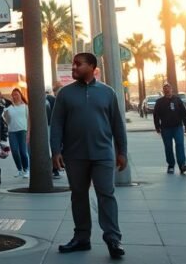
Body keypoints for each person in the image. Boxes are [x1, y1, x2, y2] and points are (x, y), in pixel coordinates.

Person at [50, 53, 127, 259]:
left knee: (106, 194)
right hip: (74, 155)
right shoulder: (65, 94)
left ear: (92, 66)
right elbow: (56, 123)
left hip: (103, 154)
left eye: (78, 64)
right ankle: (82, 238)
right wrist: (56, 151)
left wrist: (122, 151)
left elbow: (117, 124)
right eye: (73, 64)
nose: (73, 68)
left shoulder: (107, 93)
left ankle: (113, 238)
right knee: (79, 196)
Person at [153, 83, 186, 174]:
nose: (167, 90)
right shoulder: (159, 102)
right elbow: (156, 115)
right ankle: (171, 165)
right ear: (163, 91)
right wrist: (157, 126)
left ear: (171, 89)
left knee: (179, 144)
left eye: (168, 88)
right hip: (165, 128)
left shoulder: (177, 100)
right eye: (165, 89)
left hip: (178, 127)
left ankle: (182, 165)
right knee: (168, 147)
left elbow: (183, 112)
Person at [2, 88, 30, 178]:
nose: (15, 96)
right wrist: (7, 119)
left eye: (17, 95)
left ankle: (26, 169)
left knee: (23, 151)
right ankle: (19, 169)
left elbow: (29, 120)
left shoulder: (25, 107)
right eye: (13, 95)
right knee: (14, 151)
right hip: (12, 132)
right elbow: (5, 119)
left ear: (20, 95)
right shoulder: (9, 108)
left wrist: (28, 132)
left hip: (23, 131)